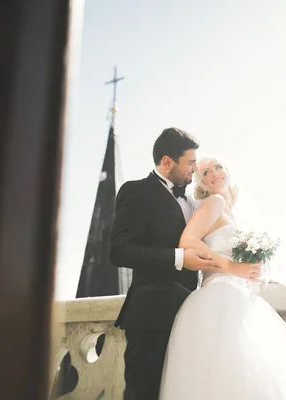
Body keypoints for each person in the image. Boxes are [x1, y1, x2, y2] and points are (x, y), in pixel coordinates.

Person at [159, 157, 286, 400]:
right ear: (201, 184)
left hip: (241, 297)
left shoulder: (232, 213)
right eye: (205, 173)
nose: (214, 174)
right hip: (218, 299)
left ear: (228, 172)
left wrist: (275, 276)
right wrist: (230, 266)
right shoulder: (214, 202)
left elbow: (244, 266)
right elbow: (187, 242)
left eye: (218, 167)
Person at [109, 128, 260, 400]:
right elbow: (120, 251)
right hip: (152, 315)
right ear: (168, 162)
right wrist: (180, 258)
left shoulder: (194, 203)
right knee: (144, 392)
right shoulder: (136, 191)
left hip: (194, 314)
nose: (195, 169)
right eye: (191, 163)